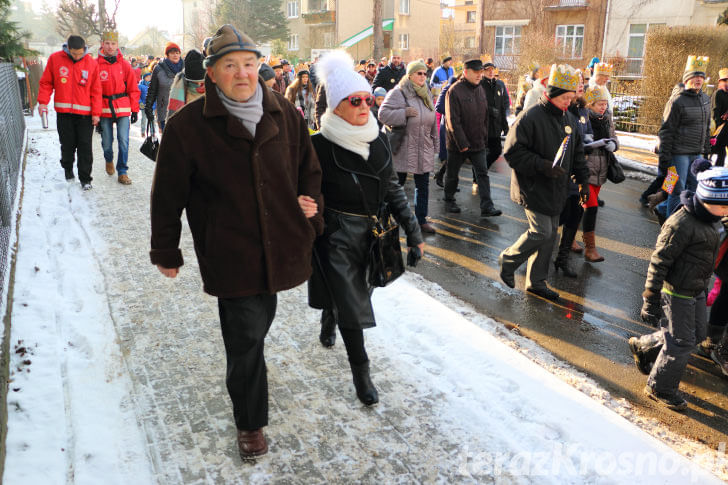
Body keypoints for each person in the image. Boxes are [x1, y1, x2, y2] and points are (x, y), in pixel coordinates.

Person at [150, 24, 323, 459]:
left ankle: (248, 375)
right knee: (245, 337)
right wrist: (166, 250)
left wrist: (311, 204)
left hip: (280, 241)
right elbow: (167, 195)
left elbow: (309, 169)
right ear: (211, 73)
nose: (243, 73)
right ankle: (250, 423)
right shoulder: (188, 126)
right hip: (229, 248)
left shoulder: (285, 112)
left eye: (249, 64)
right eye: (231, 66)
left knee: (259, 322)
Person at [307, 50, 424, 406]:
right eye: (353, 100)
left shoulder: (379, 140)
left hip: (374, 235)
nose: (363, 106)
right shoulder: (318, 146)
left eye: (367, 99)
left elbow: (392, 189)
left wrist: (413, 234)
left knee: (361, 291)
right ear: (336, 106)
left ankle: (331, 315)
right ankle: (361, 372)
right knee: (354, 305)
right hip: (335, 236)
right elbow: (299, 190)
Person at [629, 163, 728, 411]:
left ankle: (644, 345)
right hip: (677, 291)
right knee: (682, 341)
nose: (727, 210)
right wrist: (650, 297)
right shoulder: (681, 223)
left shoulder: (713, 219)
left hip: (697, 287)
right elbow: (659, 261)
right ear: (707, 199)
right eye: (724, 205)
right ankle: (659, 386)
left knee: (696, 335)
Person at [500, 64, 589, 302]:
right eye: (564, 98)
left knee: (551, 236)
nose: (568, 103)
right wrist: (542, 165)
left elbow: (577, 154)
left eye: (571, 98)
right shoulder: (530, 116)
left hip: (557, 187)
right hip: (533, 185)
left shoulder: (569, 119)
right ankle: (508, 259)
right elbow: (512, 152)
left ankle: (537, 282)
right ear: (551, 93)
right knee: (542, 231)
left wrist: (583, 183)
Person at [378, 60, 439, 234]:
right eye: (419, 73)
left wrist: (435, 142)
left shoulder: (426, 91)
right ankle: (387, 218)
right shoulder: (398, 92)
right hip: (403, 146)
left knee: (423, 185)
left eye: (424, 73)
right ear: (410, 75)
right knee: (397, 185)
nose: (422, 76)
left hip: (422, 145)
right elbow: (382, 114)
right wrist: (403, 113)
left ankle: (421, 220)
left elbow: (432, 118)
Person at [37, 35, 102, 190]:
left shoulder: (91, 63)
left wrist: (96, 113)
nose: (77, 57)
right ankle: (67, 168)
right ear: (67, 48)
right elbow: (46, 83)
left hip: (85, 115)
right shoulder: (55, 59)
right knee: (67, 145)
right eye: (74, 53)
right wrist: (43, 103)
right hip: (64, 113)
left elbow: (96, 90)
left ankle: (86, 179)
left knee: (85, 146)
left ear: (85, 49)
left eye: (80, 53)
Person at [444, 59, 501, 217]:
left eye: (480, 72)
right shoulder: (454, 91)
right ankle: (449, 199)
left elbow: (484, 117)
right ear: (465, 72)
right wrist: (462, 143)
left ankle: (487, 206)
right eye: (476, 72)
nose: (479, 75)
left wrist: (484, 138)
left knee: (482, 174)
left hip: (478, 143)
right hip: (458, 144)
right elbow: (452, 120)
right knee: (452, 174)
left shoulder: (480, 90)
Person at [656, 55, 712, 219]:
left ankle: (662, 208)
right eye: (695, 76)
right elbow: (666, 131)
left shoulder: (705, 99)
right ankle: (670, 225)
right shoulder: (677, 100)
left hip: (696, 153)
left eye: (701, 77)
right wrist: (664, 159)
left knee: (695, 188)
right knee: (675, 189)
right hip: (677, 154)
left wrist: (706, 151)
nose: (699, 80)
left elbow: (706, 126)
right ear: (687, 79)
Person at [554, 71, 591, 276]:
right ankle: (529, 257)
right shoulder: (562, 110)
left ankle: (562, 258)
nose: (579, 87)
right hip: (556, 170)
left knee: (577, 210)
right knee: (553, 220)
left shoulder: (582, 110)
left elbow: (581, 142)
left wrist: (583, 181)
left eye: (581, 83)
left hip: (574, 168)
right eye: (575, 84)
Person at [97, 30, 140, 185]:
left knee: (123, 140)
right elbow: (93, 91)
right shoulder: (96, 64)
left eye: (113, 43)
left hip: (122, 106)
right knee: (107, 142)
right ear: (102, 44)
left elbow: (133, 88)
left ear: (117, 45)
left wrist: (134, 109)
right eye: (107, 43)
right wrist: (94, 113)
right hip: (104, 107)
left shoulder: (124, 64)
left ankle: (122, 171)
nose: (110, 46)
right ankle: (108, 159)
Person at [581, 85, 618, 262]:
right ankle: (590, 249)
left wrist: (614, 145)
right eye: (599, 104)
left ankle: (569, 238)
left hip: (602, 168)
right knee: (591, 207)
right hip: (586, 168)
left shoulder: (607, 118)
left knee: (579, 208)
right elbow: (582, 143)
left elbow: (615, 138)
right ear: (591, 104)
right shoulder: (584, 117)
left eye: (604, 104)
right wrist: (595, 144)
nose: (603, 107)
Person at [145, 42, 184, 133]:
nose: (175, 55)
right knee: (168, 142)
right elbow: (152, 90)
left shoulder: (186, 68)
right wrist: (148, 107)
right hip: (164, 111)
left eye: (177, 53)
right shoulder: (158, 69)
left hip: (183, 111)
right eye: (172, 53)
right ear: (167, 55)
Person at [480, 62, 510, 168]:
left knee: (496, 151)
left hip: (495, 127)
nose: (491, 72)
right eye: (488, 70)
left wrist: (505, 126)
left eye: (492, 69)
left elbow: (502, 107)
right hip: (483, 126)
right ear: (483, 71)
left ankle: (482, 170)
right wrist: (490, 110)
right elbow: (477, 104)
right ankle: (478, 177)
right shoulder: (479, 85)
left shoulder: (498, 86)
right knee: (476, 155)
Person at [166, 49, 206, 122]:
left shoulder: (214, 88)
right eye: (195, 83)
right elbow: (173, 119)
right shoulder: (180, 88)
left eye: (202, 82)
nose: (199, 84)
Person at [433, 75, 459, 187]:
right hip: (448, 126)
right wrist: (452, 113)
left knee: (455, 157)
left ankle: (443, 178)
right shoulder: (447, 88)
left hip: (460, 126)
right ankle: (445, 180)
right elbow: (438, 107)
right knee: (451, 156)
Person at [711, 68, 728, 167]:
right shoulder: (718, 93)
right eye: (725, 81)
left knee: (722, 154)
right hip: (718, 130)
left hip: (725, 130)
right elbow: (714, 112)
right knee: (714, 153)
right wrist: (716, 131)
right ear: (721, 81)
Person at [138, 71, 154, 137]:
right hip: (143, 105)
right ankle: (143, 131)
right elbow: (138, 96)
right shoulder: (140, 86)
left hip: (151, 106)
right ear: (144, 78)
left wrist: (154, 105)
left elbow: (154, 96)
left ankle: (153, 132)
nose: (149, 78)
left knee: (152, 119)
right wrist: (140, 103)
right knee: (144, 119)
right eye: (147, 77)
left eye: (150, 77)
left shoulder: (153, 85)